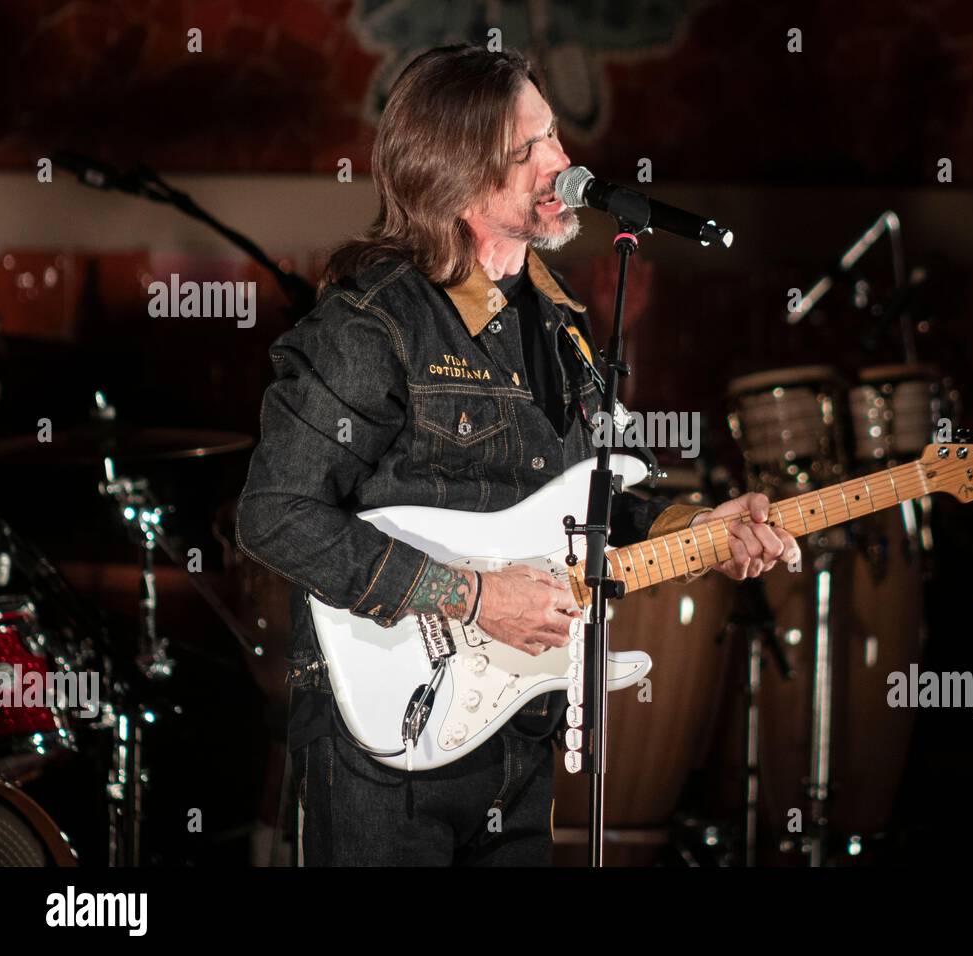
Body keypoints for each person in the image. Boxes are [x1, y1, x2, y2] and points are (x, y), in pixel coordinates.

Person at [235, 44, 799, 866]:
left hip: (524, 728)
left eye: (557, 138)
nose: (562, 164)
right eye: (528, 148)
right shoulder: (374, 324)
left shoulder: (564, 327)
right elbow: (276, 514)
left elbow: (603, 502)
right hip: (390, 738)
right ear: (457, 175)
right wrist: (467, 595)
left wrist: (704, 528)